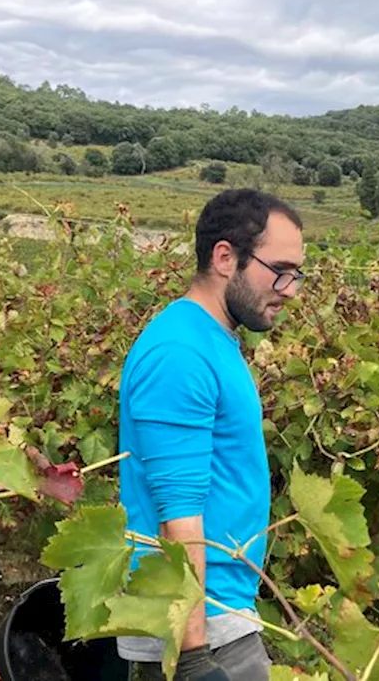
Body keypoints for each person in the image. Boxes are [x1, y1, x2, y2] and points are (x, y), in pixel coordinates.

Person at [116, 188, 306, 681]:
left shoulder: (211, 339)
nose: (290, 289)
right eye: (280, 270)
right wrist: (194, 659)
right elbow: (178, 513)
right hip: (199, 622)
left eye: (297, 274)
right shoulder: (180, 351)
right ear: (226, 257)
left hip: (219, 609)